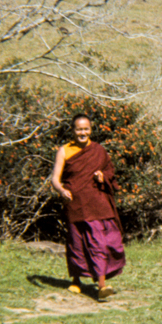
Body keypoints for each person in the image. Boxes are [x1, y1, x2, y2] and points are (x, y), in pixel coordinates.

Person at [51, 114, 125, 301]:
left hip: (96, 203)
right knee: (76, 242)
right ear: (73, 130)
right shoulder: (64, 151)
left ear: (90, 130)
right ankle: (76, 280)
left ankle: (101, 285)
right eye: (79, 129)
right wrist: (61, 190)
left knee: (99, 242)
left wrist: (103, 176)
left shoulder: (98, 150)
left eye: (86, 129)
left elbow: (110, 171)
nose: (83, 133)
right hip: (75, 203)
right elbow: (55, 179)